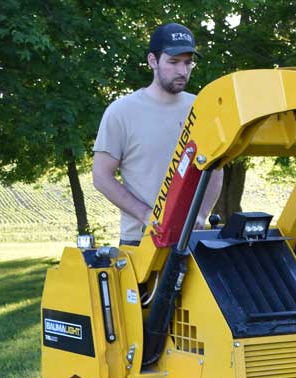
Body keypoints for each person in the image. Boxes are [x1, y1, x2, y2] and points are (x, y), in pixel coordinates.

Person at [93, 23, 223, 245]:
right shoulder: (121, 111)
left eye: (188, 62)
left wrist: (201, 213)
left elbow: (216, 168)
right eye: (173, 62)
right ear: (152, 61)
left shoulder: (202, 109)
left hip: (192, 240)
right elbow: (101, 177)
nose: (182, 71)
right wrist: (146, 215)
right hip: (141, 242)